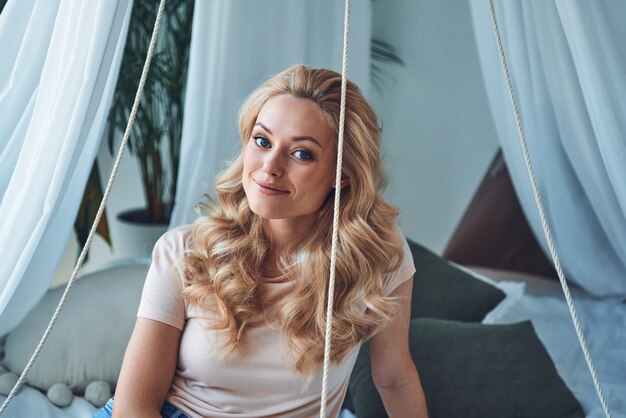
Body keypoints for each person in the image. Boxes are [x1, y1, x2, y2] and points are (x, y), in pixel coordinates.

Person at [94, 64, 428, 418]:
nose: (270, 166)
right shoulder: (185, 251)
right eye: (262, 141)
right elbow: (135, 407)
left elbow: (395, 378)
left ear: (341, 176)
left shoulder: (375, 255)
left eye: (302, 153)